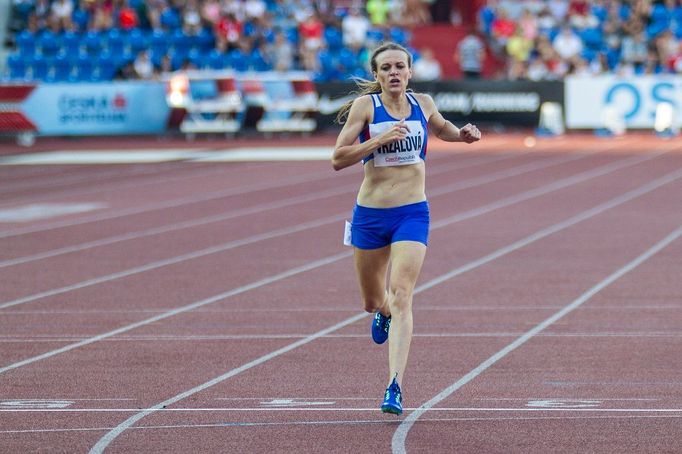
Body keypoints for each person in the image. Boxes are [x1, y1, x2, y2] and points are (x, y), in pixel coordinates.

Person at [331, 42, 481, 415]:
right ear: (377, 75)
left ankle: (394, 385)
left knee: (402, 294)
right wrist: (379, 139)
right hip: (370, 214)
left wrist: (461, 134)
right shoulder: (366, 108)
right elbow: (337, 158)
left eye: (400, 66)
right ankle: (381, 311)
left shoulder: (423, 103)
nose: (394, 73)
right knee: (372, 301)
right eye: (387, 68)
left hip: (413, 213)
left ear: (410, 72)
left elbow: (442, 128)